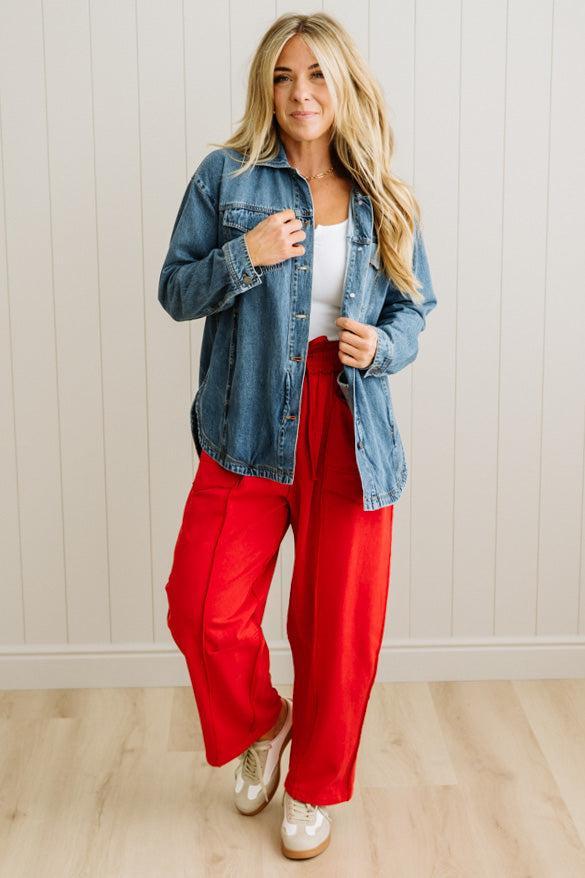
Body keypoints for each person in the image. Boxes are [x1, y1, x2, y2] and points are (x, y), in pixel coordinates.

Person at [158, 11, 437, 862]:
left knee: (337, 629)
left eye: (316, 75)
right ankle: (260, 723)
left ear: (342, 83)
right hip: (245, 421)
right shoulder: (224, 178)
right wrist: (245, 254)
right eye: (284, 76)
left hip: (348, 423)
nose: (300, 93)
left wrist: (381, 346)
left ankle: (314, 787)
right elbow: (176, 291)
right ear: (265, 88)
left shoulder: (380, 189)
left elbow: (412, 307)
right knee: (201, 608)